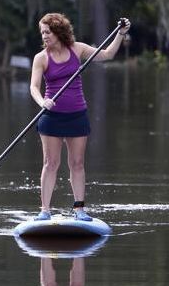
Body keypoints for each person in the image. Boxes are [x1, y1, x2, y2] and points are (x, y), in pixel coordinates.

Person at [29, 13, 130, 221]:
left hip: (77, 116)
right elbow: (33, 87)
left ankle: (79, 210)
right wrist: (42, 102)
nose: (44, 36)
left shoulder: (78, 49)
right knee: (50, 163)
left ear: (58, 31)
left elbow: (108, 54)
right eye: (42, 33)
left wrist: (120, 33)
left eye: (47, 32)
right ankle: (44, 211)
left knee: (77, 163)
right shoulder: (41, 58)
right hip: (51, 117)